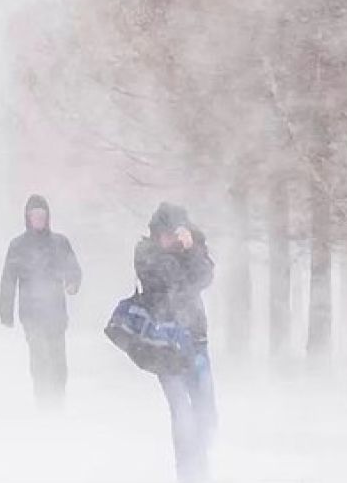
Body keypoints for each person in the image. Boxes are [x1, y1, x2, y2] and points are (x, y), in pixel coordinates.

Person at [135, 202, 216, 483]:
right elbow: (171, 282)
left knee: (206, 410)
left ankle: (201, 467)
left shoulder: (193, 248)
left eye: (177, 232)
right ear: (158, 233)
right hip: (164, 344)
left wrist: (192, 248)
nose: (172, 238)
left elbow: (204, 277)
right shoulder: (146, 252)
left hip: (196, 339)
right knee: (181, 411)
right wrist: (181, 254)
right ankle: (188, 474)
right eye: (167, 233)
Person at [0, 194, 82, 409]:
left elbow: (73, 268)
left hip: (55, 312)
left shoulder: (60, 243)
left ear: (48, 217)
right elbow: (8, 280)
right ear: (27, 217)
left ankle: (58, 400)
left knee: (58, 361)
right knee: (39, 358)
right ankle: (43, 402)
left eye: (42, 215)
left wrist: (73, 283)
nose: (38, 219)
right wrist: (5, 313)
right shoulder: (18, 246)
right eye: (34, 215)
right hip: (31, 314)